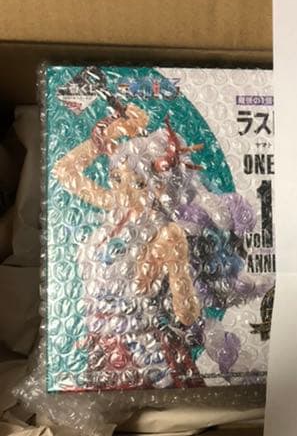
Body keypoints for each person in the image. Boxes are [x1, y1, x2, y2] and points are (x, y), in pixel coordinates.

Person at [53, 103, 264, 390]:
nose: (124, 190)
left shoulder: (164, 233)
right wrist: (110, 132)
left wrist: (177, 265)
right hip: (103, 343)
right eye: (117, 178)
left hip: (142, 353)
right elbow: (65, 171)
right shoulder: (116, 209)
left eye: (139, 183)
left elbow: (186, 314)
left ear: (161, 189)